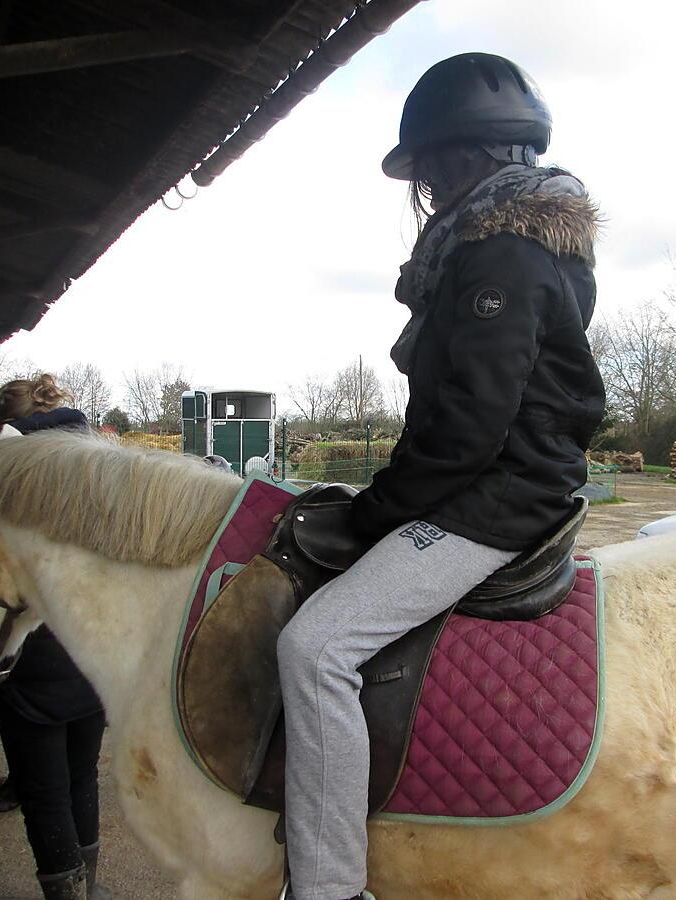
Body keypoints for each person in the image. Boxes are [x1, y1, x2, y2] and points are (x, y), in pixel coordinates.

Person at [275, 53, 605, 900]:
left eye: (424, 166)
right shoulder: (511, 244)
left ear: (468, 157)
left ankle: (330, 888)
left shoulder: (502, 256)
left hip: (498, 499)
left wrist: (380, 510)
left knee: (315, 648)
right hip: (487, 483)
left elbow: (469, 427)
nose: (421, 186)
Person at [0, 375, 111, 900]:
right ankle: (93, 887)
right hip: (95, 648)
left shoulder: (11, 479)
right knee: (82, 776)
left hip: (33, 656)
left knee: (43, 789)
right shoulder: (100, 468)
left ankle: (67, 892)